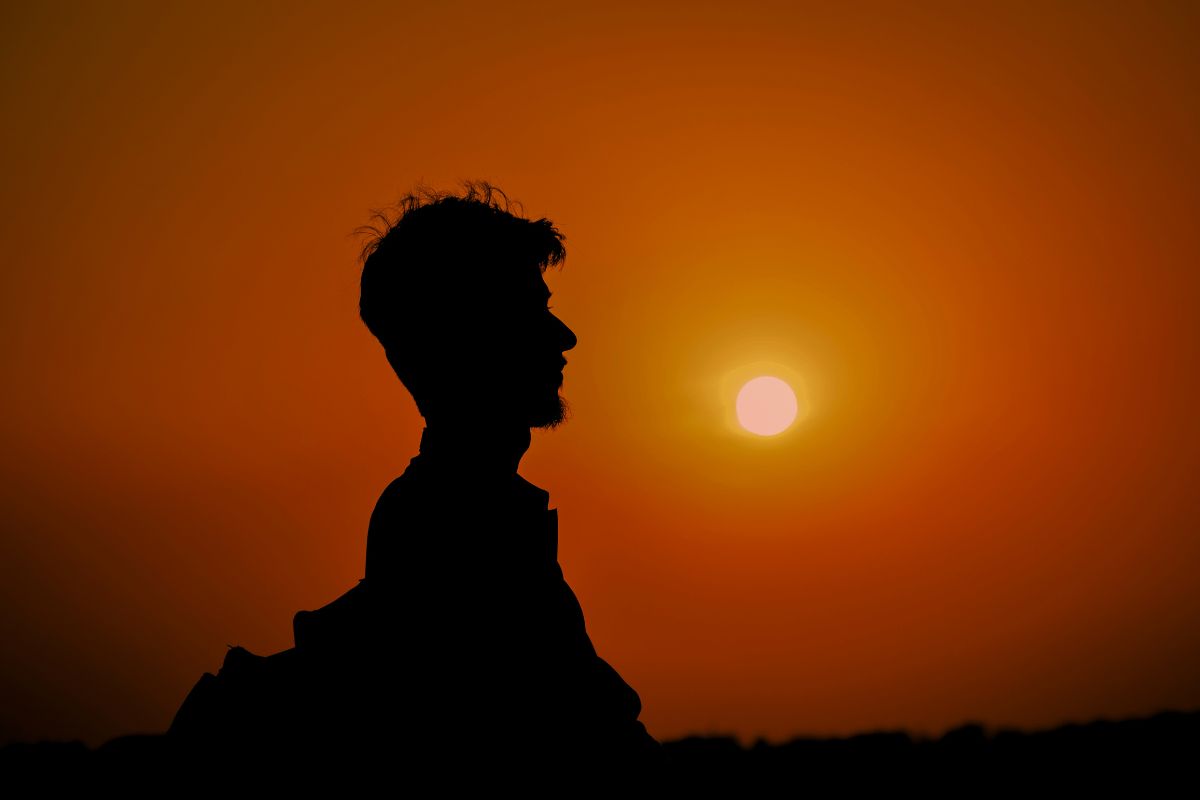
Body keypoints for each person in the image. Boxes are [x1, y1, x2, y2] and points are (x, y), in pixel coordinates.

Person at [167, 181, 663, 784]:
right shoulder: (459, 527)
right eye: (532, 310)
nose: (565, 337)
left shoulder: (466, 512)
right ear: (472, 335)